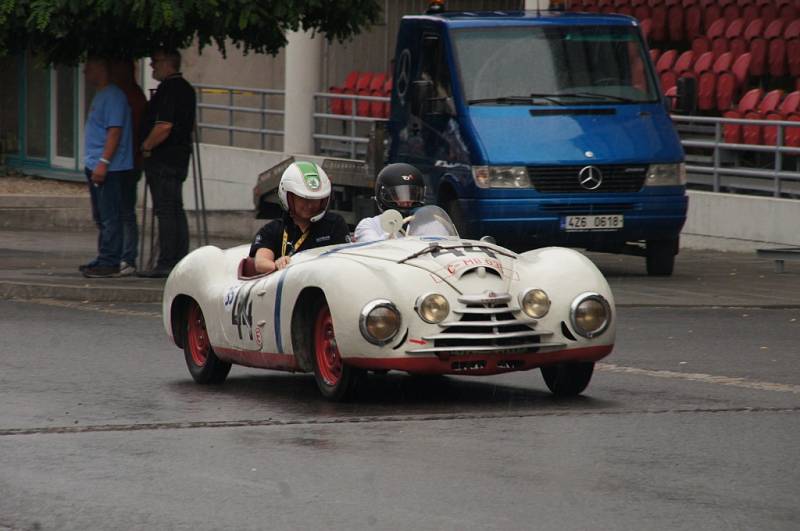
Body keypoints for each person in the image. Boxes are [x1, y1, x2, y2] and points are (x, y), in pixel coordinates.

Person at [137, 48, 196, 278]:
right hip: (178, 158)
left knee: (166, 210)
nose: (152, 66)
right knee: (174, 209)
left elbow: (164, 126)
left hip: (164, 159)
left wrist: (145, 146)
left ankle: (168, 260)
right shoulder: (186, 89)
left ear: (168, 63)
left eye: (155, 62)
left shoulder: (170, 89)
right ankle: (177, 258)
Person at [79, 57, 135, 278]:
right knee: (102, 216)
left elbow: (114, 131)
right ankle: (104, 256)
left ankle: (110, 260)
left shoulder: (113, 96)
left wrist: (103, 162)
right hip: (96, 164)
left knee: (111, 216)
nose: (85, 72)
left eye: (89, 67)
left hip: (110, 168)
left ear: (101, 69)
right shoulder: (102, 94)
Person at [249, 161, 350, 275]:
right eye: (303, 199)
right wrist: (278, 265)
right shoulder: (272, 230)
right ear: (288, 197)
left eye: (315, 200)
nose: (310, 205)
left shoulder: (335, 224)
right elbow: (260, 263)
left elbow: (344, 261)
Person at [111, 59, 148, 277]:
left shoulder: (130, 97)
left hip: (128, 162)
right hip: (128, 161)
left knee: (125, 212)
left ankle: (127, 256)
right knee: (122, 211)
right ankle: (123, 255)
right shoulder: (127, 95)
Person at [354, 163, 426, 242]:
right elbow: (372, 247)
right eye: (398, 196)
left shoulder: (427, 225)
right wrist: (394, 229)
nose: (406, 202)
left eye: (412, 195)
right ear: (382, 195)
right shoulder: (369, 225)